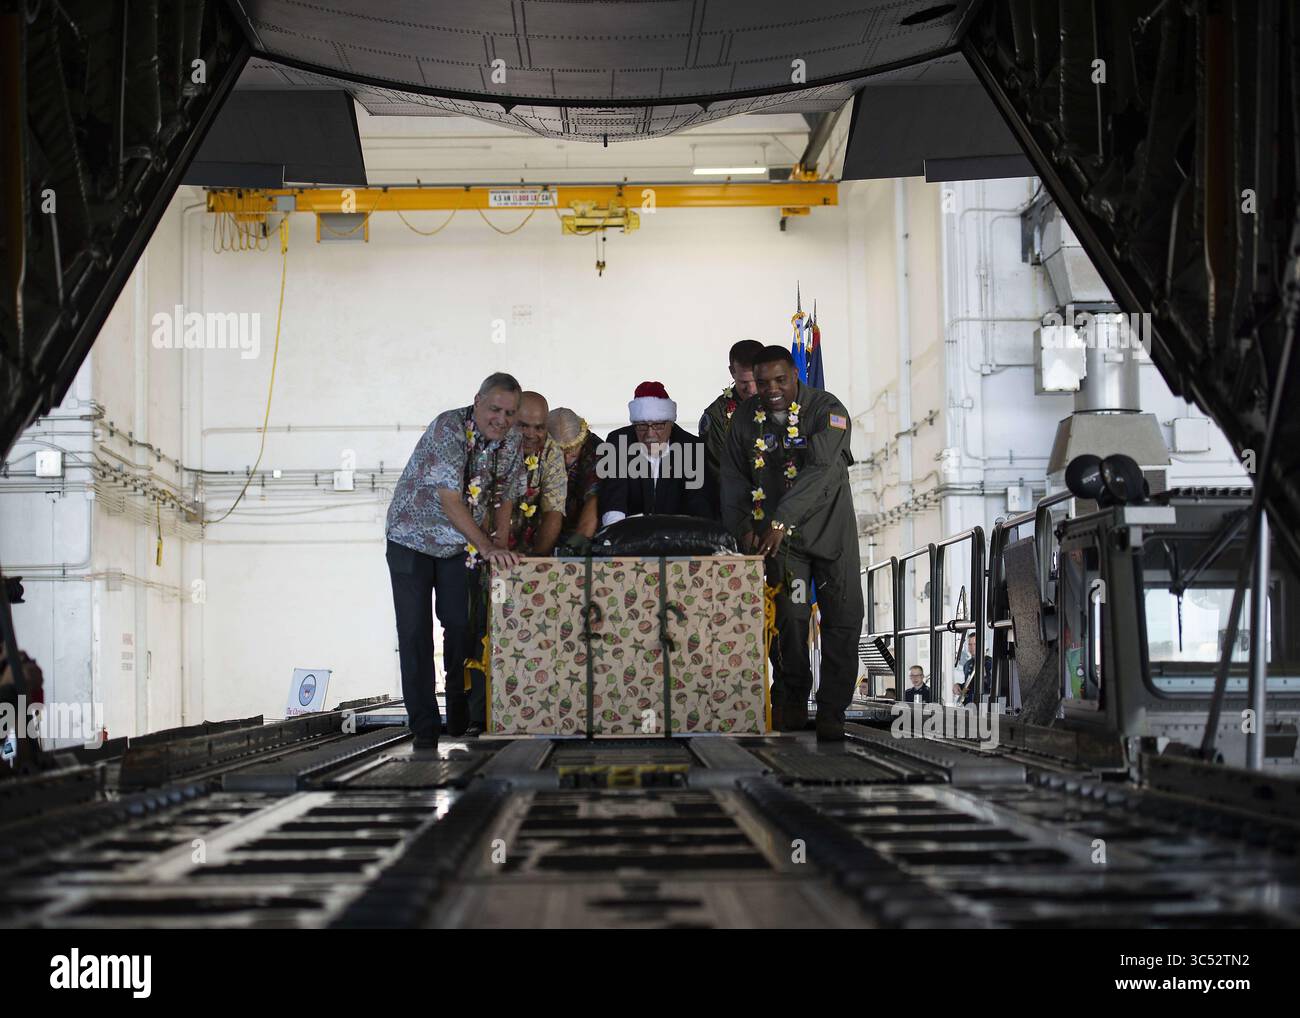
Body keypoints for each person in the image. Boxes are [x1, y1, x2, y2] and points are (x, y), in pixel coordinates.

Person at [721, 345, 864, 741]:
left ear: (795, 375)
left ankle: (833, 709)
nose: (771, 389)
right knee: (789, 619)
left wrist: (781, 520)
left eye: (780, 380)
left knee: (843, 618)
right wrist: (742, 526)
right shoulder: (747, 418)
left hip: (830, 534)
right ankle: (792, 699)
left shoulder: (827, 410)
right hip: (782, 544)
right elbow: (733, 477)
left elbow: (820, 469)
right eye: (763, 382)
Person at [385, 372, 524, 746]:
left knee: (460, 626)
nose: (502, 419)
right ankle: (425, 727)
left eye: (510, 412)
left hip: (455, 546)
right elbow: (450, 500)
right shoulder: (449, 427)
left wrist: (499, 537)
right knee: (414, 633)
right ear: (477, 401)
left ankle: (458, 713)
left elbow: (507, 494)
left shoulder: (511, 440)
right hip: (410, 539)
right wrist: (487, 547)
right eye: (495, 408)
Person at [599, 381, 710, 524]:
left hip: (679, 536)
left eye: (658, 425)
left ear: (671, 423)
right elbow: (613, 500)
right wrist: (617, 535)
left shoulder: (692, 448)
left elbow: (699, 505)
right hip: (631, 535)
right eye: (642, 425)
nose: (650, 434)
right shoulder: (618, 443)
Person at [698, 340, 764, 517]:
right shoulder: (717, 416)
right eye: (743, 382)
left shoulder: (780, 403)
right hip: (736, 511)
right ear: (731, 372)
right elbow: (719, 473)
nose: (750, 389)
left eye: (756, 381)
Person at [508, 392, 567, 555]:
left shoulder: (551, 451)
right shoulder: (493, 445)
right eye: (523, 426)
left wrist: (535, 562)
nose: (531, 434)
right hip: (483, 546)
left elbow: (553, 512)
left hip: (529, 550)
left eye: (539, 427)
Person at [547, 407, 602, 549]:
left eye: (572, 452)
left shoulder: (599, 452)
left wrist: (573, 549)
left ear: (583, 438)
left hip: (585, 533)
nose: (565, 459)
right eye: (559, 452)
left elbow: (594, 500)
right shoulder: (534, 449)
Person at [959, 632, 993, 705]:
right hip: (969, 705)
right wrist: (959, 686)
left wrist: (984, 675)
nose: (972, 647)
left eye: (975, 644)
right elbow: (969, 685)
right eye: (970, 644)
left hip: (983, 705)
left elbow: (992, 686)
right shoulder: (967, 664)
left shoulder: (989, 662)